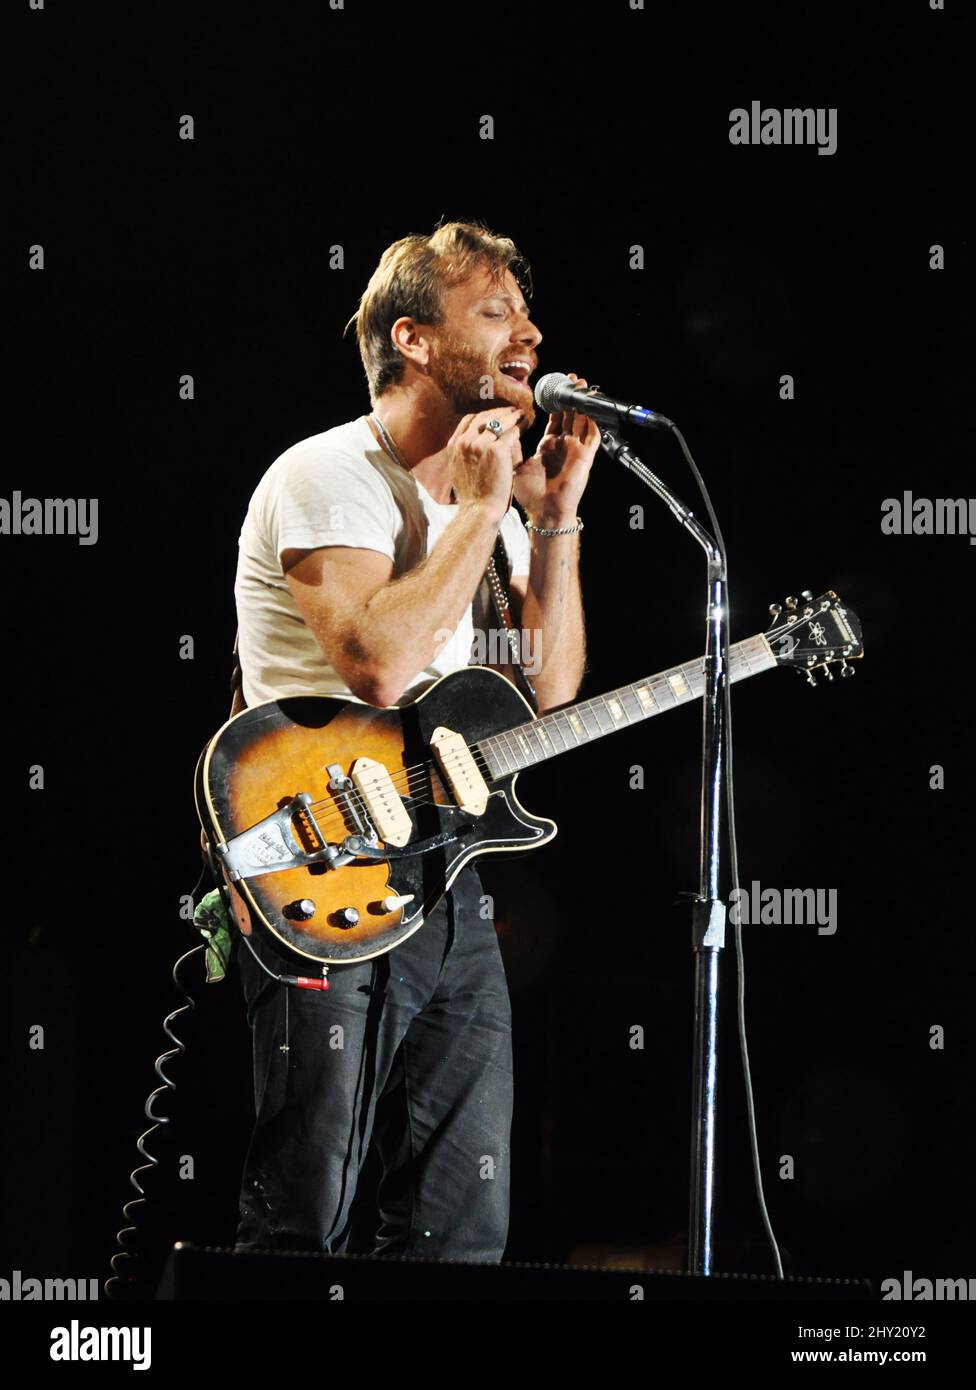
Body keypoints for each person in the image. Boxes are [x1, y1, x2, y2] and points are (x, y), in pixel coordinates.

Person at [230, 219, 598, 1262]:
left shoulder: (494, 506)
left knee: (460, 1221)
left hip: (447, 880)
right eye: (495, 311)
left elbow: (550, 698)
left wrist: (555, 517)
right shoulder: (326, 474)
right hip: (322, 864)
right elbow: (379, 668)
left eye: (525, 311)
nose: (528, 332)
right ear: (415, 339)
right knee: (308, 1203)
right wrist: (482, 511)